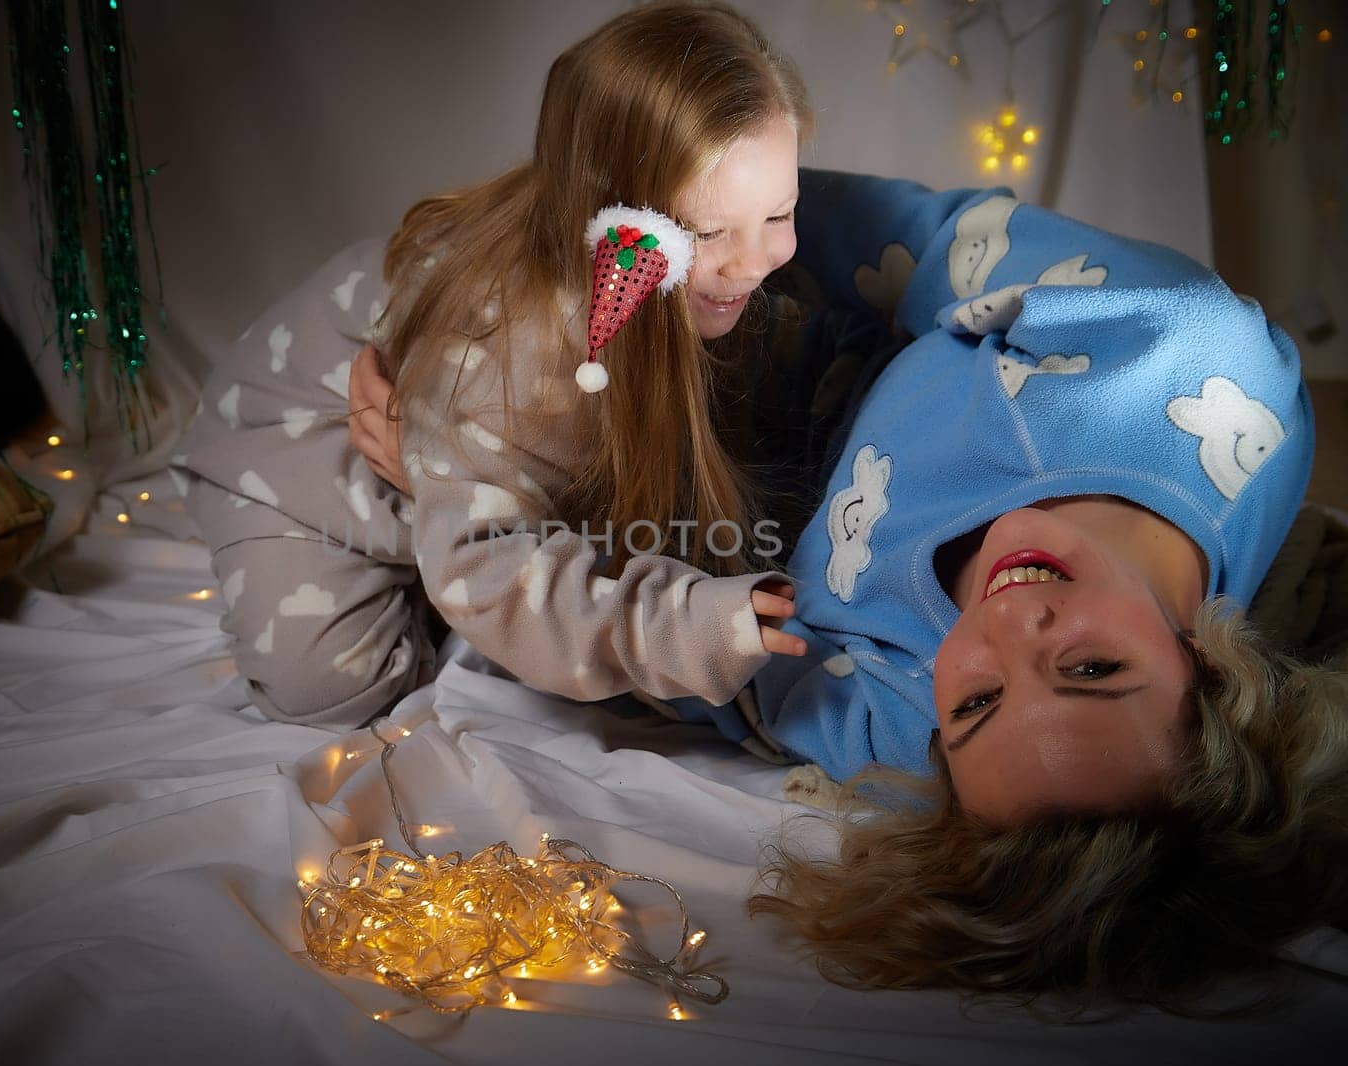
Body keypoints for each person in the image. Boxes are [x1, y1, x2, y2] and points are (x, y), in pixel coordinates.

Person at [351, 168, 1348, 1011]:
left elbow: (669, 660)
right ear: (1215, 667)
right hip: (771, 330)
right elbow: (903, 240)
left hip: (675, 486)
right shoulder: (1189, 351)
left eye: (979, 700)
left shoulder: (900, 727)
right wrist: (668, 211)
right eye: (1090, 665)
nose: (1009, 630)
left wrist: (460, 477)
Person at [172, 1, 821, 731]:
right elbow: (492, 573)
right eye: (708, 232)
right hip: (298, 456)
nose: (753, 262)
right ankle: (435, 525)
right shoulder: (511, 351)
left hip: (467, 453)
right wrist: (689, 626)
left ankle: (455, 504)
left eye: (779, 213)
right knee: (331, 690)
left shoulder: (694, 271)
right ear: (616, 218)